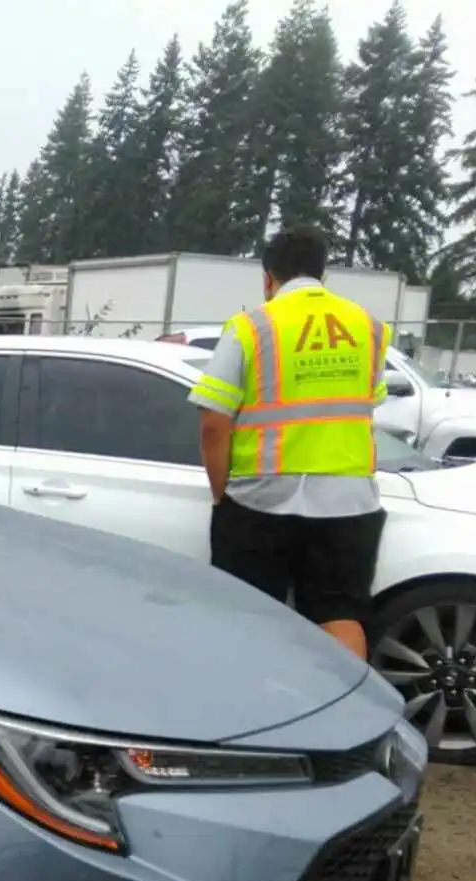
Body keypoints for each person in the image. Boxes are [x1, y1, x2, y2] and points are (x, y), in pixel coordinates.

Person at [187, 225, 392, 660]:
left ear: (267, 277)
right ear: (323, 275)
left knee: (247, 613)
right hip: (348, 500)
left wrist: (222, 494)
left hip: (262, 500)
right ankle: (343, 714)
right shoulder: (369, 327)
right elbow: (365, 407)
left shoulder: (252, 326)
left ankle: (251, 710)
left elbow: (212, 421)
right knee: (341, 612)